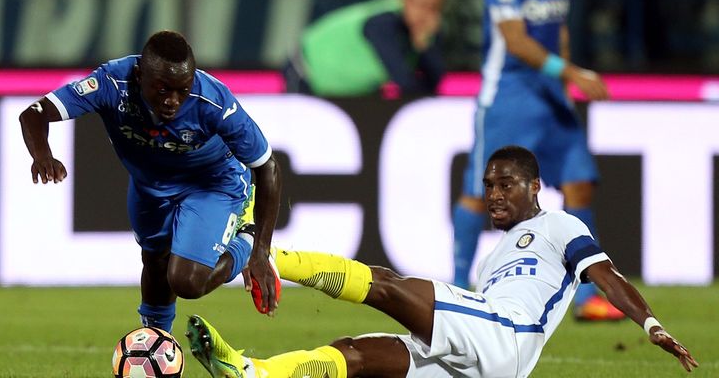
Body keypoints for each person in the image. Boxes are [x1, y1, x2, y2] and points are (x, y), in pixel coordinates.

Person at [185, 145, 698, 378]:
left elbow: (604, 275)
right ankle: (252, 372)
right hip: (484, 359)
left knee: (386, 285)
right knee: (359, 356)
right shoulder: (494, 258)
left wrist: (650, 324)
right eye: (489, 186)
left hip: (506, 337)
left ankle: (271, 258)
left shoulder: (561, 225)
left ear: (535, 187)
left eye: (506, 185)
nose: (494, 195)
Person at [18, 30, 283, 332]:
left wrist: (261, 250)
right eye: (162, 90)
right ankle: (157, 342)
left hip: (211, 184)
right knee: (155, 263)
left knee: (187, 281)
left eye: (182, 90)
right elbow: (34, 114)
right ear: (139, 73)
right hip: (149, 187)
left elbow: (267, 167)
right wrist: (42, 155)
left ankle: (244, 244)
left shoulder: (214, 101)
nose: (173, 101)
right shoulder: (111, 83)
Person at [452, 0, 617, 320]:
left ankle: (584, 298)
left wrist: (562, 79)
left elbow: (557, 28)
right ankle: (460, 289)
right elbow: (516, 40)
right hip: (509, 93)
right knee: (482, 193)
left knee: (579, 184)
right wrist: (572, 73)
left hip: (550, 89)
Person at [283, 0, 446, 97]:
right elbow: (405, 83)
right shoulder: (382, 23)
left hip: (341, 88)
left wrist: (424, 46)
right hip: (305, 71)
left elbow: (434, 85)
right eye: (420, 5)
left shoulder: (424, 34)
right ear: (404, 1)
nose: (424, 13)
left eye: (432, 8)